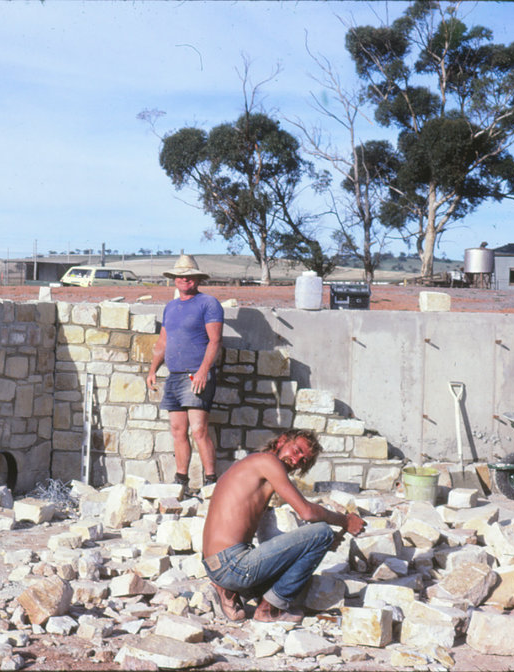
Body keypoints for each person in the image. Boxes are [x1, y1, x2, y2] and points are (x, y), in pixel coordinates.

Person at [201, 429, 366, 623]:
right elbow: (307, 512)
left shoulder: (251, 465)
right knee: (322, 533)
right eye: (296, 451)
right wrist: (346, 521)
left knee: (304, 553)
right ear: (281, 441)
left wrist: (306, 546)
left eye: (303, 461)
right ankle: (270, 608)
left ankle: (229, 591)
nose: (296, 461)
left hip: (214, 565)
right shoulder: (269, 462)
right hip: (233, 565)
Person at [146, 254, 223, 491]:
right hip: (174, 375)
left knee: (199, 430)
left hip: (195, 375)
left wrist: (203, 372)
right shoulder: (170, 307)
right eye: (180, 276)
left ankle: (211, 482)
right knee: (178, 430)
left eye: (189, 277)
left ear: (197, 279)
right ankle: (181, 482)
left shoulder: (208, 303)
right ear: (174, 279)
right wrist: (152, 370)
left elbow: (215, 340)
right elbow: (163, 342)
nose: (184, 280)